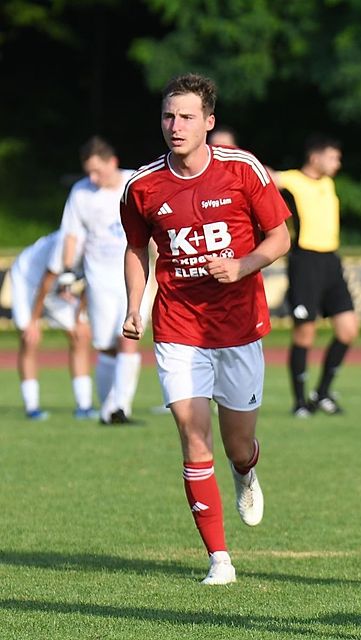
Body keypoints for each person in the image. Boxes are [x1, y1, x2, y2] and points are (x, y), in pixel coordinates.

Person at [120, 73, 291, 585]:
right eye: (169, 116)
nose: (176, 126)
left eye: (188, 117)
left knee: (237, 444)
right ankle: (220, 559)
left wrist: (242, 266)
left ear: (209, 123)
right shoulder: (142, 185)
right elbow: (134, 248)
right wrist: (136, 305)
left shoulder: (242, 170)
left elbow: (281, 237)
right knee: (193, 436)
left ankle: (245, 471)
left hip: (238, 328)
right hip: (178, 328)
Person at [271, 136, 358, 417]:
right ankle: (299, 402)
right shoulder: (293, 180)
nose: (337, 163)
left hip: (331, 261)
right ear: (315, 157)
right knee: (305, 332)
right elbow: (265, 176)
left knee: (348, 330)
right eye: (333, 157)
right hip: (305, 261)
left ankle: (322, 394)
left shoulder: (328, 183)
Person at [59, 136, 143, 425]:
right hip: (98, 279)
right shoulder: (81, 193)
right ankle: (109, 409)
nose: (93, 178)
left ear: (113, 163)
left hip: (133, 276)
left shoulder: (134, 183)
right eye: (89, 172)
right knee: (105, 345)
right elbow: (72, 233)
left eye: (98, 171)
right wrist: (69, 271)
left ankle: (121, 407)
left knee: (128, 337)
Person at [10, 230, 95, 420]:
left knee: (80, 336)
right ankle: (32, 407)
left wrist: (80, 317)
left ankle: (84, 406)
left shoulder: (104, 244)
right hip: (27, 278)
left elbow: (92, 284)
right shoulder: (66, 242)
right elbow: (46, 281)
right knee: (30, 339)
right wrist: (34, 321)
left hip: (54, 286)